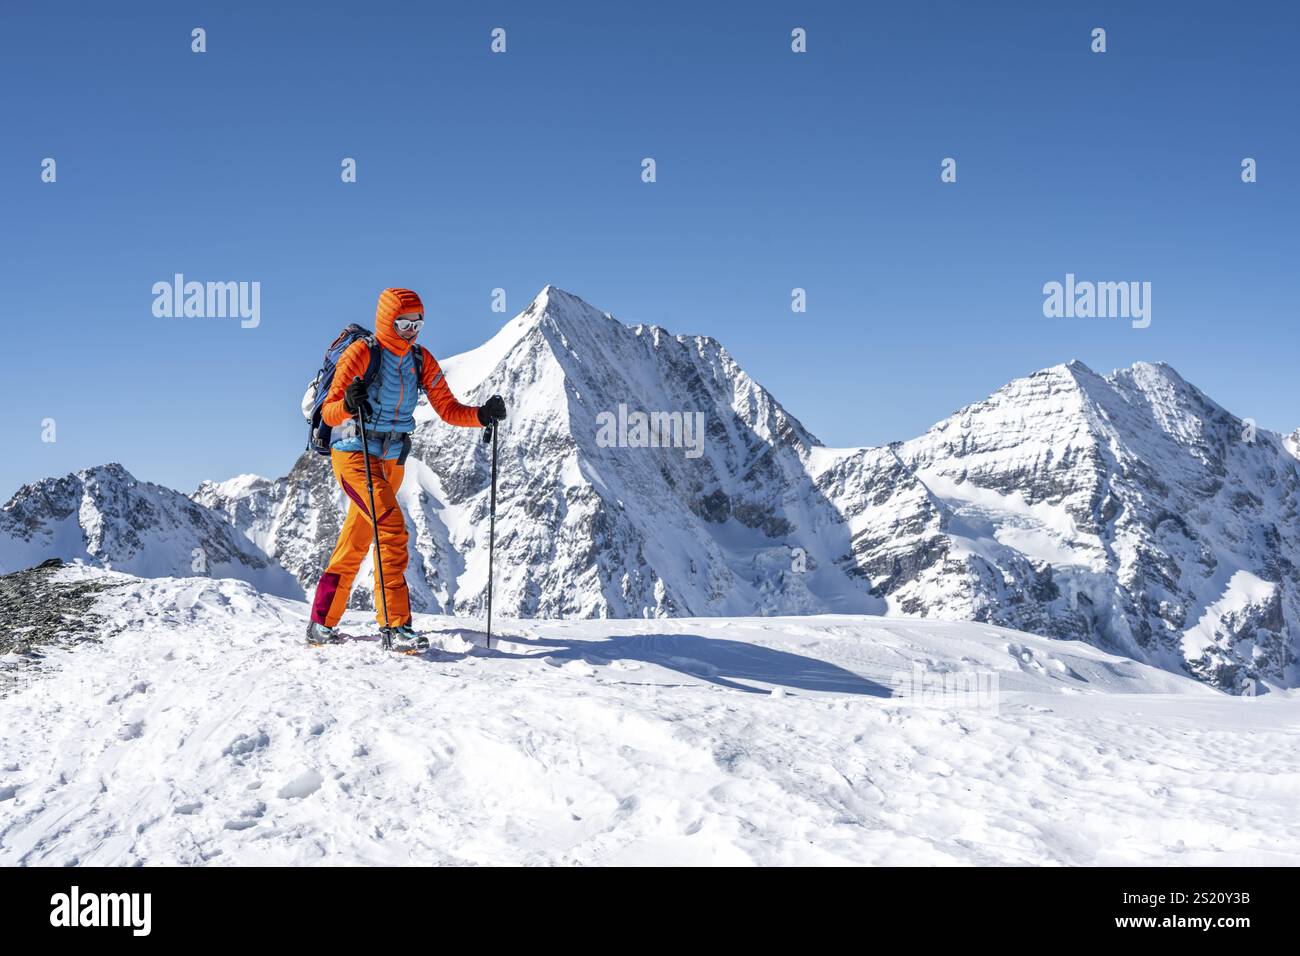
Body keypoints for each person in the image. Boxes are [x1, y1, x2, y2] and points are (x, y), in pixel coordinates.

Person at [307, 288, 507, 647]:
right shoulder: (362, 354)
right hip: (354, 452)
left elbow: (447, 408)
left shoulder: (419, 360)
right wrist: (350, 404)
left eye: (417, 322)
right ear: (387, 320)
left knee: (357, 539)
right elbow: (329, 412)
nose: (412, 330)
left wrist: (480, 415)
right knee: (392, 529)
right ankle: (396, 627)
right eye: (403, 322)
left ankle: (321, 623)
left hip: (391, 459)